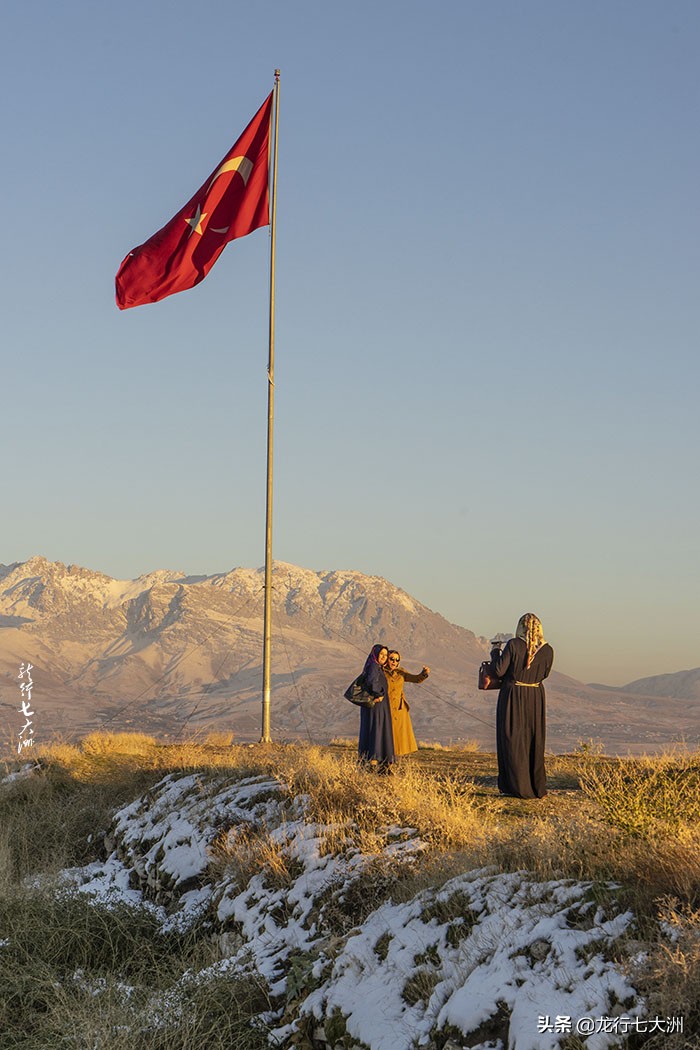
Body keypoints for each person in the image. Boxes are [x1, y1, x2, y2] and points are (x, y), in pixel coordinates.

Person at [489, 613, 554, 799]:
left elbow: (498, 670)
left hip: (513, 694)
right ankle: (535, 786)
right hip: (535, 696)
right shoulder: (548, 650)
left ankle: (515, 786)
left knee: (512, 739)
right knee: (533, 739)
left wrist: (495, 652)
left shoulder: (513, 645)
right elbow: (545, 673)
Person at [357, 643, 395, 771]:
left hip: (379, 705)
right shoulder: (374, 666)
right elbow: (372, 681)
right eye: (381, 654)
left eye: (386, 655)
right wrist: (378, 693)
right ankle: (374, 760)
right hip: (376, 706)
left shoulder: (377, 666)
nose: (384, 657)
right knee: (376, 730)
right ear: (375, 654)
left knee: (377, 730)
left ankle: (378, 762)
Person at [384, 650, 429, 757]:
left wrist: (423, 674)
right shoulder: (381, 672)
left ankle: (392, 761)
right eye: (391, 659)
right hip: (385, 708)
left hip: (399, 710)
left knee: (398, 738)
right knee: (386, 735)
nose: (394, 662)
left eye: (397, 660)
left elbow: (415, 679)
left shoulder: (401, 672)